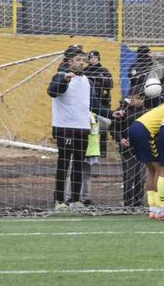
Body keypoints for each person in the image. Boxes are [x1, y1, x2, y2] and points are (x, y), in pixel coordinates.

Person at [47, 46, 122, 211]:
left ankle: (75, 200)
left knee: (79, 165)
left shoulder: (86, 81)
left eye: (83, 60)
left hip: (82, 128)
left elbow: (94, 105)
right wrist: (65, 80)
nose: (82, 63)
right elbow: (52, 92)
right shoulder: (60, 76)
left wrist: (110, 113)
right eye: (78, 60)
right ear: (69, 62)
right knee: (64, 164)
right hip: (65, 128)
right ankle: (59, 200)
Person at [128, 101, 164, 218]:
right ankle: (159, 208)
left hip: (135, 127)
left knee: (151, 170)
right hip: (145, 131)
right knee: (160, 169)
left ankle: (152, 209)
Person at [112, 97, 148, 207]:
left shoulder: (147, 112)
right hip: (127, 149)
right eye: (137, 98)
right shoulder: (122, 111)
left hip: (142, 148)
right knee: (129, 175)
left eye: (141, 98)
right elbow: (113, 128)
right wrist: (120, 139)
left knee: (140, 176)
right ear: (131, 98)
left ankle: (138, 202)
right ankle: (127, 202)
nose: (139, 100)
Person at [85, 50, 114, 157]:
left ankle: (102, 151)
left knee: (103, 127)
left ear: (98, 59)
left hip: (103, 103)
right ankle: (90, 150)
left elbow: (110, 84)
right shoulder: (85, 71)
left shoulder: (104, 71)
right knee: (90, 128)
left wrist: (98, 79)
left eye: (95, 58)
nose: (93, 60)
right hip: (89, 104)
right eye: (91, 58)